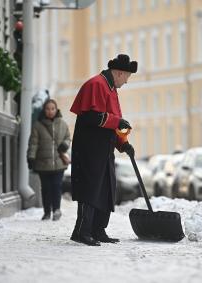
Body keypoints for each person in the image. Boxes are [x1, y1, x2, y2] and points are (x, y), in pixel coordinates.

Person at [69, 54, 137, 246]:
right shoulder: (97, 84)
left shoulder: (111, 88)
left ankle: (98, 230)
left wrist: (123, 144)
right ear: (119, 72)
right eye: (127, 77)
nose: (127, 81)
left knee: (106, 188)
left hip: (103, 148)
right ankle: (82, 231)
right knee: (90, 189)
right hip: (90, 148)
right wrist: (118, 122)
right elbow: (92, 116)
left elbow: (111, 124)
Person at [27, 99, 71, 221]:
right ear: (44, 110)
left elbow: (68, 137)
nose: (50, 111)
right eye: (48, 109)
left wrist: (65, 145)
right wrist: (31, 157)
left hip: (58, 162)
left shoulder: (62, 123)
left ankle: (56, 210)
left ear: (56, 109)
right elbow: (33, 143)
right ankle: (47, 212)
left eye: (53, 108)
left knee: (56, 186)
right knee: (46, 188)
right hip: (43, 163)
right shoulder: (38, 125)